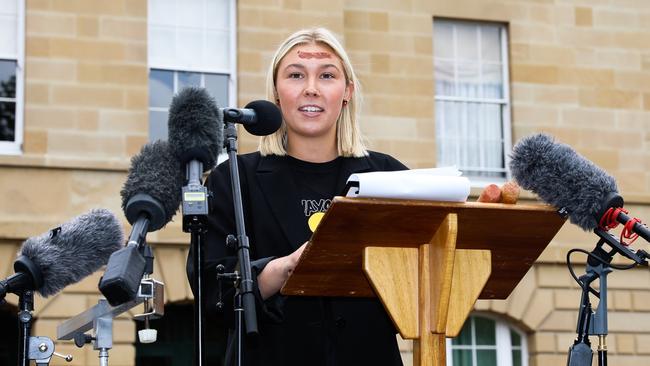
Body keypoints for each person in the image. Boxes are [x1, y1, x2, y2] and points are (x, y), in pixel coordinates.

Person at [187, 27, 408, 365]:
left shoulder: (389, 178)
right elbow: (213, 299)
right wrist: (286, 267)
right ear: (276, 93)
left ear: (347, 91)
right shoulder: (232, 178)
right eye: (295, 75)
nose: (311, 89)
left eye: (327, 75)